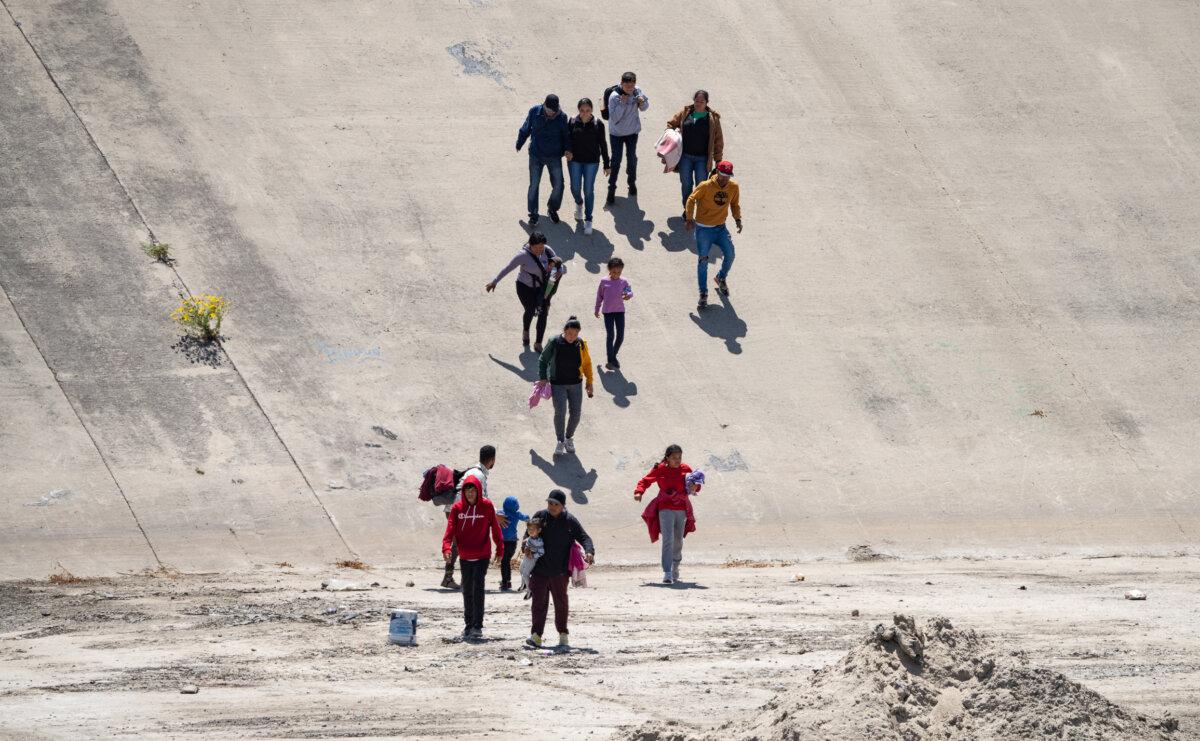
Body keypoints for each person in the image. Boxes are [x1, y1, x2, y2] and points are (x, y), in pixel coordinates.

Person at [526, 490, 594, 648]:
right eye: (550, 503)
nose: (552, 506)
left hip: (560, 571)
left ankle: (563, 635)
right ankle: (536, 636)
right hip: (539, 570)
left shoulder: (569, 521)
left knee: (561, 604)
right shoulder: (540, 516)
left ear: (563, 506)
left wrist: (589, 551)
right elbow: (528, 534)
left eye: (555, 504)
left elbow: (584, 537)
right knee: (538, 604)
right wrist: (526, 547)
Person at [441, 476, 503, 640]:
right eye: (467, 491)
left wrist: (500, 549)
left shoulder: (487, 506)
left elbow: (495, 528)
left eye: (473, 490)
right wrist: (446, 547)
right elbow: (450, 530)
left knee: (478, 588)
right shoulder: (457, 508)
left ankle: (477, 626)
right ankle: (468, 624)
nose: (470, 494)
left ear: (478, 491)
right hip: (465, 555)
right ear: (463, 492)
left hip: (482, 554)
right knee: (467, 590)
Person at [634, 444, 702, 584]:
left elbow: (694, 485)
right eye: (674, 458)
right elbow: (645, 480)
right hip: (665, 508)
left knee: (678, 540)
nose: (677, 460)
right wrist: (639, 491)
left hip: (682, 508)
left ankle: (675, 566)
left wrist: (696, 486)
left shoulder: (685, 469)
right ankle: (667, 572)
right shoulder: (660, 469)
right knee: (668, 539)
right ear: (667, 458)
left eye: (679, 457)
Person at [486, 233, 564, 352]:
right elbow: (508, 268)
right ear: (530, 245)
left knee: (543, 314)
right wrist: (494, 281)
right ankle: (526, 330)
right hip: (524, 287)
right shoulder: (522, 255)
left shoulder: (547, 251)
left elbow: (559, 266)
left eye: (541, 247)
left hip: (543, 289)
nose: (539, 250)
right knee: (531, 309)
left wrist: (555, 275)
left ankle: (538, 343)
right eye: (536, 247)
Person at [685, 160, 742, 311]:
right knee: (703, 261)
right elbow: (691, 199)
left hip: (720, 228)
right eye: (722, 175)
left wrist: (737, 219)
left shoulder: (733, 187)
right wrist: (689, 218)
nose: (724, 179)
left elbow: (734, 204)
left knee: (730, 254)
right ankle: (703, 293)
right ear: (717, 172)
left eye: (727, 176)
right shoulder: (705, 186)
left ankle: (721, 277)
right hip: (703, 229)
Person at [441, 445, 499, 590]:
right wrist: (496, 515)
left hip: (456, 507)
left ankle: (452, 578)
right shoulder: (478, 475)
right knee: (460, 542)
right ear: (492, 460)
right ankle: (455, 578)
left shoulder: (476, 471)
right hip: (459, 509)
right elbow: (483, 498)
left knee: (458, 542)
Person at [537, 316, 595, 456]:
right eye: (569, 334)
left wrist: (590, 382)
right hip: (558, 384)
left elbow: (587, 363)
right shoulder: (554, 342)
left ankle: (569, 437)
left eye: (575, 334)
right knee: (560, 413)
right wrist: (543, 378)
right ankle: (560, 440)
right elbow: (543, 360)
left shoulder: (581, 344)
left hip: (576, 384)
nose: (572, 337)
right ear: (564, 330)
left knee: (576, 414)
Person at [516, 94, 573, 225]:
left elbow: (566, 136)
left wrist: (568, 149)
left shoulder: (562, 117)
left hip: (554, 156)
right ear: (544, 105)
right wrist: (520, 142)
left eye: (554, 110)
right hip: (536, 155)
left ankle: (552, 209)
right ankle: (533, 214)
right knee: (534, 184)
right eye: (549, 109)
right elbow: (526, 128)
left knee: (559, 184)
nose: (551, 112)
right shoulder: (534, 111)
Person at [666, 90, 724, 213]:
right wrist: (673, 133)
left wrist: (718, 160)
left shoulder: (713, 118)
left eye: (701, 102)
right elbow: (671, 124)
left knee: (701, 186)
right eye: (696, 101)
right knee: (686, 184)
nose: (698, 104)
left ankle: (700, 210)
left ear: (707, 103)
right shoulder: (685, 113)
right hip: (685, 157)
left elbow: (718, 140)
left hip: (702, 159)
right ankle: (688, 209)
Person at [567, 98, 611, 235]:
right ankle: (579, 203)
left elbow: (603, 145)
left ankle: (588, 219)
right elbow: (567, 139)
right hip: (575, 161)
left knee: (588, 190)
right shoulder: (572, 121)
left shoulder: (598, 124)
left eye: (587, 110)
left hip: (592, 162)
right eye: (582, 110)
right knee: (574, 187)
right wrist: (566, 151)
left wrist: (606, 164)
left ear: (592, 110)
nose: (585, 113)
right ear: (578, 110)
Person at [605, 72, 649, 205]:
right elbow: (614, 118)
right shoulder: (614, 97)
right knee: (616, 161)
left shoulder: (637, 91)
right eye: (627, 86)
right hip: (616, 134)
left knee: (632, 159)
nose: (630, 89)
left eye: (632, 85)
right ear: (621, 83)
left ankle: (632, 182)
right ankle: (611, 189)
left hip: (632, 133)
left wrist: (642, 102)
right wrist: (622, 104)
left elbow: (645, 108)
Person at [594, 257, 632, 369]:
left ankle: (613, 356)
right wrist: (597, 309)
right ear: (609, 270)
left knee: (620, 336)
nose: (616, 274)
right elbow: (599, 296)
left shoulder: (624, 281)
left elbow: (629, 292)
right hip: (608, 312)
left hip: (620, 311)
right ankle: (610, 360)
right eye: (614, 272)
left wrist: (627, 296)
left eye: (619, 272)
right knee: (611, 335)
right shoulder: (604, 281)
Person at [498, 496, 529, 591]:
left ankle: (505, 582)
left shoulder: (501, 513)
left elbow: (491, 512)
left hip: (503, 542)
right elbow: (526, 518)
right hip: (512, 542)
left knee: (504, 562)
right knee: (506, 561)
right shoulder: (517, 514)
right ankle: (507, 581)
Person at [517, 516, 545, 596]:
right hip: (526, 556)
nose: (530, 531)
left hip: (531, 559)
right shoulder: (531, 537)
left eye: (532, 530)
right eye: (529, 529)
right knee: (521, 569)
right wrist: (526, 542)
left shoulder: (539, 541)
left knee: (525, 574)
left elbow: (541, 552)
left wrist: (532, 556)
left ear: (539, 530)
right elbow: (529, 539)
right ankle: (524, 585)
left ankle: (530, 590)